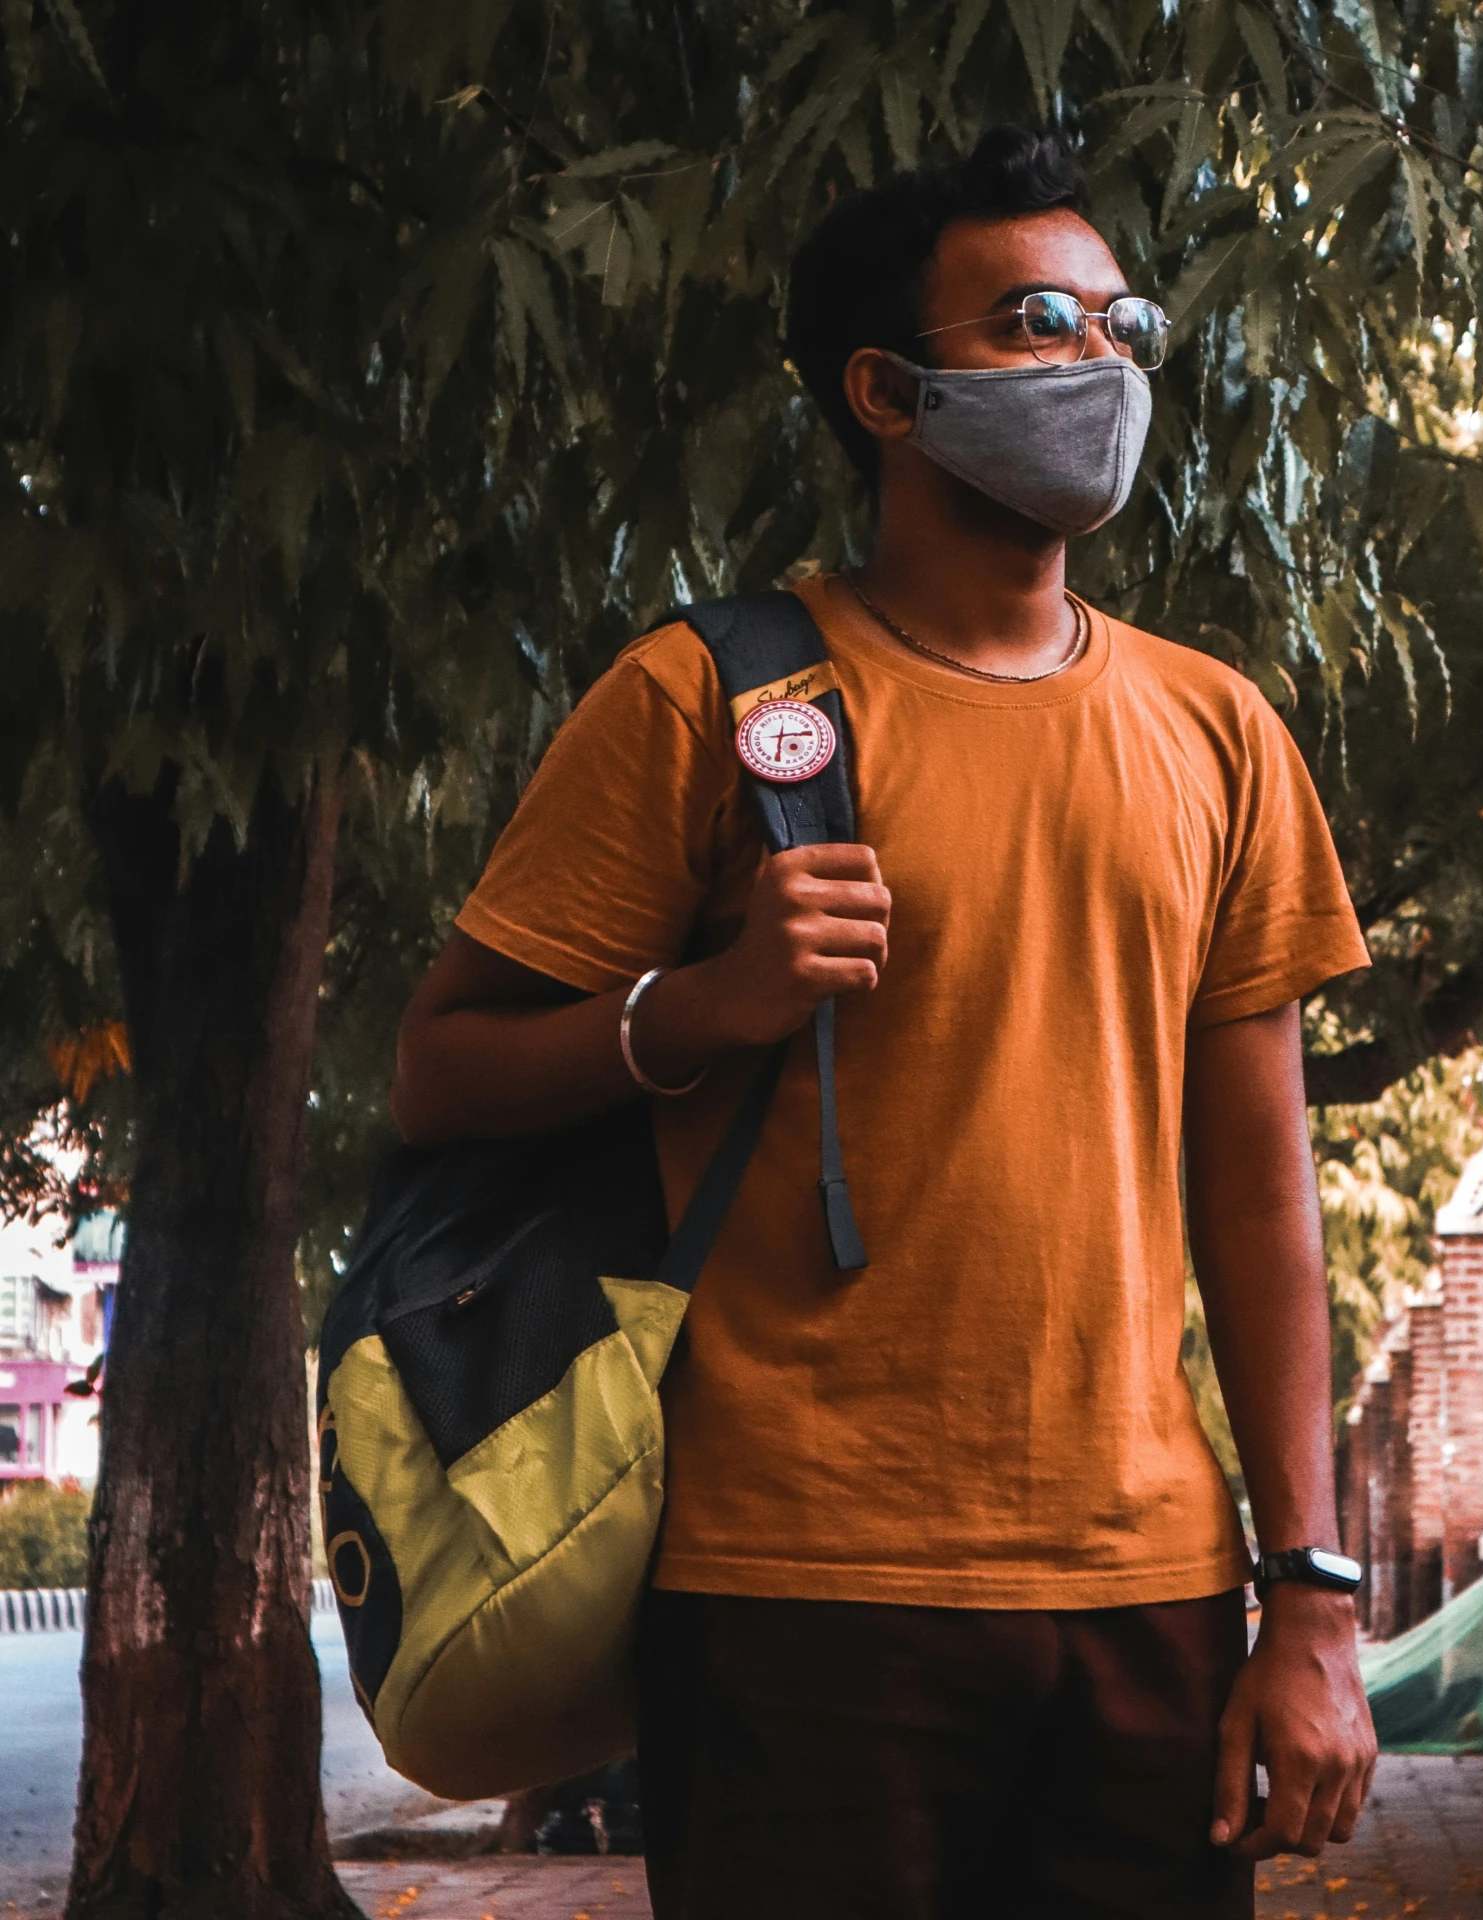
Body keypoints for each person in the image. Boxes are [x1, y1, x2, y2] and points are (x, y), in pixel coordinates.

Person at [389, 126, 1376, 1919]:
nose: (1100, 364)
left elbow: (1263, 1195)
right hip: (793, 1591)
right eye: (1039, 322)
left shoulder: (1219, 731)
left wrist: (1308, 1597)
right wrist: (699, 1007)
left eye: (1119, 323)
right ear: (890, 391)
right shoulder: (710, 694)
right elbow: (441, 1068)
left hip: (1146, 1596)